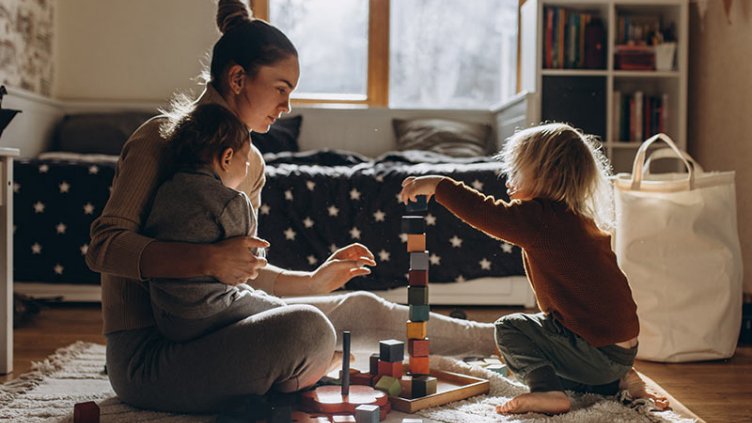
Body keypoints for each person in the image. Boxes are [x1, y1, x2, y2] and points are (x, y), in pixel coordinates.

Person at [86, 0, 496, 413]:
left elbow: (245, 271)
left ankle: (501, 339)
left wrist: (313, 282)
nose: (287, 106)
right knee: (308, 331)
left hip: (222, 324)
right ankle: (296, 375)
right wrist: (207, 259)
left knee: (359, 307)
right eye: (281, 88)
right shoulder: (159, 138)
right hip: (150, 356)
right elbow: (105, 247)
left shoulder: (253, 164)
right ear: (237, 78)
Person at [399, 123, 669, 415]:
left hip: (596, 350)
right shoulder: (577, 218)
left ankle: (547, 392)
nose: (508, 181)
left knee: (510, 329)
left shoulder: (540, 217)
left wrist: (439, 185)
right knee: (543, 352)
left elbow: (485, 212)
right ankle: (617, 380)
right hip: (621, 350)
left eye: (516, 172)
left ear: (546, 175)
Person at [143, 103, 285, 342]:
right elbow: (250, 261)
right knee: (286, 313)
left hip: (167, 317)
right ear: (227, 157)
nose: (247, 169)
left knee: (249, 297)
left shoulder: (165, 190)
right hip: (212, 309)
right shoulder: (231, 201)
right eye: (247, 162)